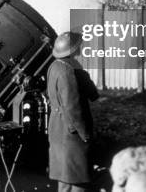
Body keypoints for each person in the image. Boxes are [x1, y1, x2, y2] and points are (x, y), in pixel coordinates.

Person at [47, 31, 99, 192]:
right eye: (79, 45)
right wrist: (86, 135)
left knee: (64, 180)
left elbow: (91, 94)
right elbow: (73, 108)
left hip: (57, 130)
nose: (81, 47)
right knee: (78, 182)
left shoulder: (54, 67)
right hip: (72, 134)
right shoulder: (68, 72)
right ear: (72, 50)